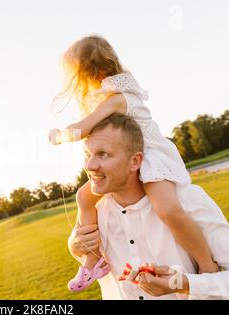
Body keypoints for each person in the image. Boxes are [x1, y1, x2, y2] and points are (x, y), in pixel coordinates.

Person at [49, 35, 218, 292]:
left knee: (167, 209)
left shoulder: (121, 97)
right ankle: (92, 260)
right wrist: (75, 242)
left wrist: (60, 136)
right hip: (126, 159)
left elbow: (83, 128)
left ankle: (207, 264)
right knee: (85, 197)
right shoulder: (107, 98)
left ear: (86, 73)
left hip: (150, 157)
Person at [68, 113, 229, 299]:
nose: (89, 165)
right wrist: (75, 248)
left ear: (135, 161)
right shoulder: (93, 214)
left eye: (103, 154)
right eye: (87, 155)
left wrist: (183, 284)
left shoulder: (187, 200)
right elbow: (90, 261)